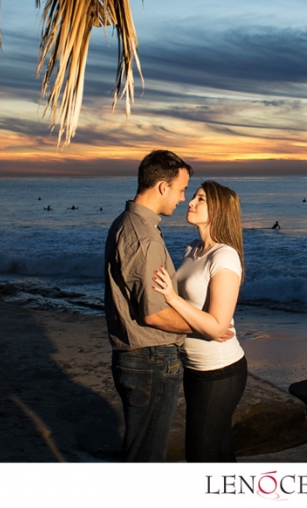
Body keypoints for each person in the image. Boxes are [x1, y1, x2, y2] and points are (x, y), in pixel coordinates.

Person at [103, 149, 196, 462]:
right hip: (151, 359)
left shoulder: (127, 223)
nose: (182, 199)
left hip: (139, 358)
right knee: (147, 457)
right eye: (181, 190)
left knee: (141, 451)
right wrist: (204, 327)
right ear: (162, 186)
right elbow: (154, 313)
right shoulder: (144, 237)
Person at [152, 180, 248, 462]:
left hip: (219, 370)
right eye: (193, 196)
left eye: (200, 199)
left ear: (219, 209)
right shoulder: (192, 249)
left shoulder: (225, 256)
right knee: (219, 452)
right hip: (194, 366)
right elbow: (200, 315)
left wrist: (172, 298)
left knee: (200, 454)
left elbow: (217, 326)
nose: (190, 202)